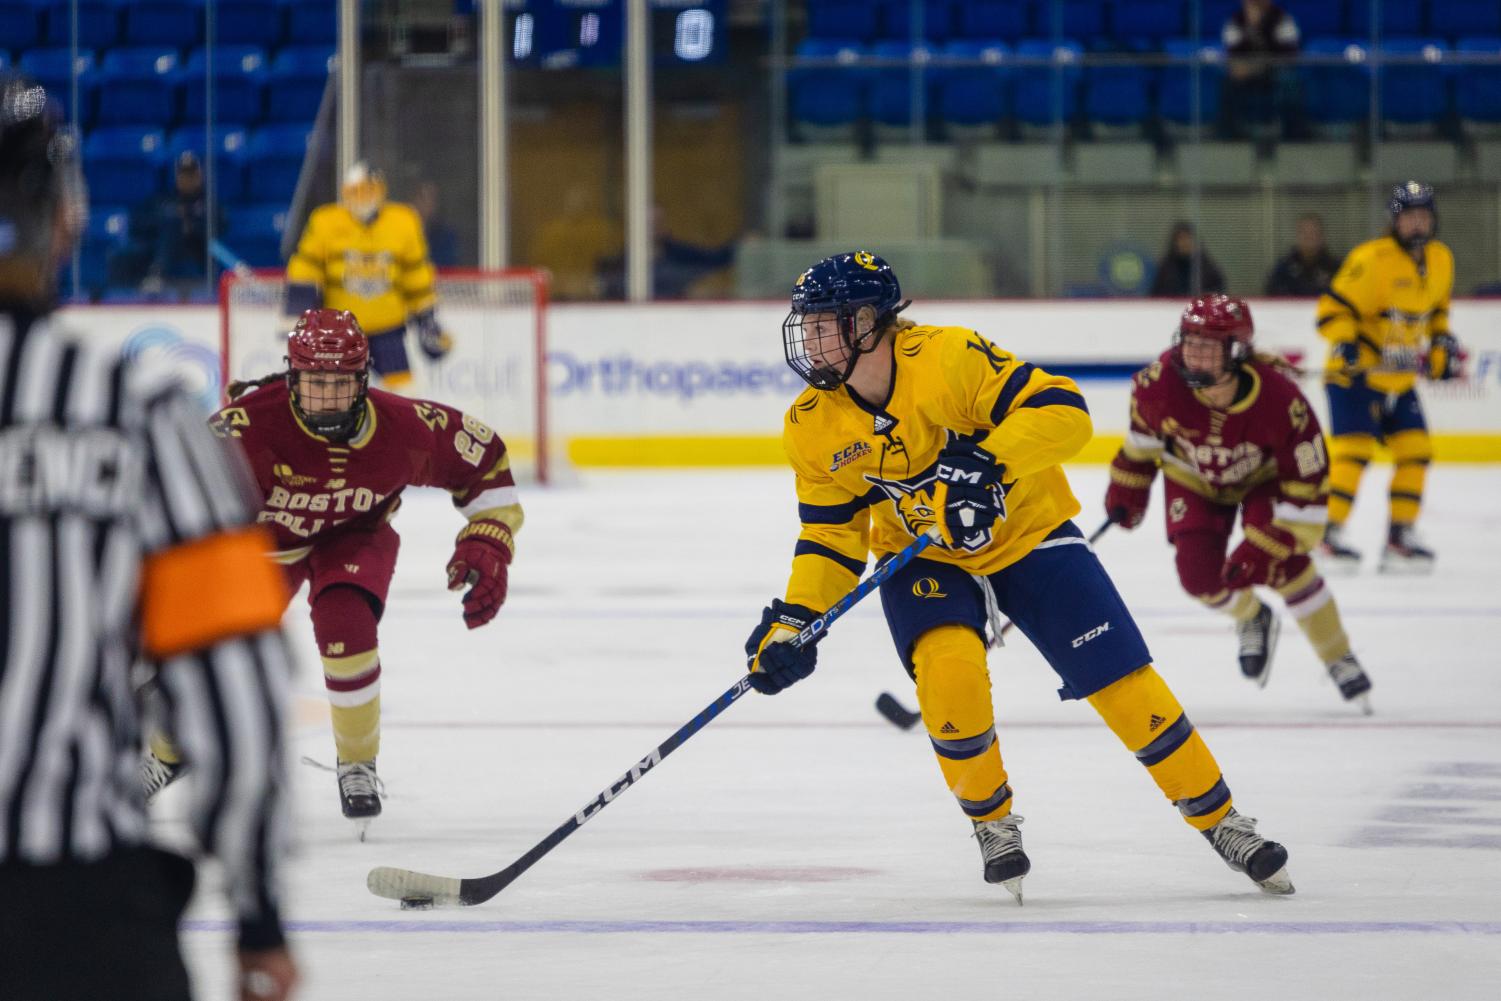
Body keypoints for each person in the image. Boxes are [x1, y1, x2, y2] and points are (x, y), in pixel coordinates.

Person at [746, 250, 1294, 902]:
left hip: (1028, 533)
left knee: (1120, 679)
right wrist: (795, 620)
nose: (807, 338)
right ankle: (991, 823)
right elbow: (830, 537)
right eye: (803, 324)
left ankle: (1220, 819)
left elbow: (1065, 412)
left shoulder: (949, 360)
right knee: (948, 674)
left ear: (867, 321)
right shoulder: (809, 424)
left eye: (820, 323)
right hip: (925, 556)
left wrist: (986, 461)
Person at [0, 76, 298, 1001]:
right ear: (65, 218)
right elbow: (232, 692)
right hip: (70, 913)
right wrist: (256, 910)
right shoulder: (138, 410)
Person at [144, 308, 522, 837]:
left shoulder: (405, 428)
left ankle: (358, 764)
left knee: (348, 627)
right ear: (292, 377)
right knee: (207, 647)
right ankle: (167, 750)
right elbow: (168, 502)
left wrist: (489, 538)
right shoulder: (244, 430)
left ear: (363, 380)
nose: (327, 398)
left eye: (341, 384)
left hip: (354, 535)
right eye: (315, 383)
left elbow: (486, 464)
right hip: (260, 547)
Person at [1104, 295, 1373, 711]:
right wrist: (1129, 487)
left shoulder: (1284, 403)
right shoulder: (1158, 383)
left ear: (1236, 352)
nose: (1193, 354)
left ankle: (1338, 655)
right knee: (1198, 577)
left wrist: (1271, 542)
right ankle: (1252, 616)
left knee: (1283, 566)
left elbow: (1311, 491)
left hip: (1263, 481)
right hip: (1191, 476)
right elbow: (1143, 441)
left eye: (1207, 346)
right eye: (1189, 341)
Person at [1315, 181, 1461, 573]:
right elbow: (1331, 310)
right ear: (1394, 221)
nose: (1417, 224)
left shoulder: (1441, 259)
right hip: (1354, 378)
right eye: (1409, 216)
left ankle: (1400, 536)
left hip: (1398, 381)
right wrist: (1346, 343)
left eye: (1423, 216)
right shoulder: (1372, 259)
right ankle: (1326, 535)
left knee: (1416, 451)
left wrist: (1441, 346)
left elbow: (1437, 314)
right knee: (1354, 454)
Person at [285, 162, 450, 388]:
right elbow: (306, 267)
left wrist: (426, 317)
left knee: (402, 392)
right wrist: (298, 309)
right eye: (356, 191)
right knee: (338, 391)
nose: (362, 198)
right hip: (341, 330)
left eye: (368, 190)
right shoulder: (326, 221)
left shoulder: (403, 221)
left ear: (380, 190)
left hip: (388, 328)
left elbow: (416, 275)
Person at [140, 151, 224, 301]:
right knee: (171, 224)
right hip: (169, 255)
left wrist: (192, 224)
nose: (188, 179)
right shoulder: (165, 201)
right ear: (177, 177)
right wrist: (176, 219)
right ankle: (156, 275)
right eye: (184, 175)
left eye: (192, 174)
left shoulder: (209, 203)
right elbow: (144, 226)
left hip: (200, 254)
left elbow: (221, 228)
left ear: (200, 176)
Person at [1219, 0, 1306, 139]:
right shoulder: (1235, 20)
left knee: (1290, 81)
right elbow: (1232, 54)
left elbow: (1290, 54)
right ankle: (1230, 134)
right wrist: (1251, 30)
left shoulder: (1282, 18)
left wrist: (1258, 28)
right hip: (1245, 73)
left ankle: (1294, 135)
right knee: (1227, 81)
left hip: (1275, 71)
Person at [1265, 212, 1340, 297]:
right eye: (1305, 234)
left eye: (1313, 233)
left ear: (1322, 237)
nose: (1309, 239)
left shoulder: (1335, 268)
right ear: (1297, 236)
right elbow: (1272, 294)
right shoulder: (1284, 268)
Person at [1150, 222, 1227, 297]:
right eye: (1181, 238)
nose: (1185, 243)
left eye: (1189, 238)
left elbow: (1217, 294)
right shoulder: (1165, 270)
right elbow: (1158, 296)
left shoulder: (1209, 270)